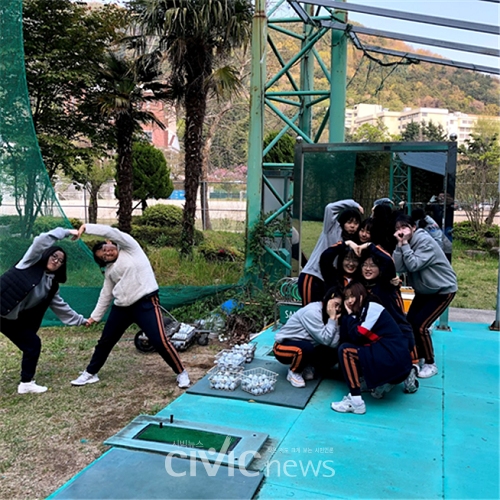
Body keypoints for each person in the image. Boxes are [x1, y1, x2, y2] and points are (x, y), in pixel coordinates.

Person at [71, 223, 190, 389]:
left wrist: (85, 228)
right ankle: (90, 373)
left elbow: (110, 231)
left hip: (145, 303)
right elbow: (106, 295)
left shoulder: (130, 248)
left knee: (159, 340)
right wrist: (94, 317)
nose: (107, 253)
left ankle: (181, 372)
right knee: (106, 340)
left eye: (106, 249)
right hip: (122, 309)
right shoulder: (109, 271)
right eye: (103, 256)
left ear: (110, 243)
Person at [0, 227, 89, 394]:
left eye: (60, 260)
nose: (56, 261)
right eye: (54, 256)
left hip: (9, 318)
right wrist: (68, 232)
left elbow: (61, 307)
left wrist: (82, 321)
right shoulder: (29, 263)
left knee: (32, 344)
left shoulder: (51, 286)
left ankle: (26, 383)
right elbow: (41, 240)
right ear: (46, 255)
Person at [331, 282, 413, 415]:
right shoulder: (359, 314)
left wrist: (350, 315)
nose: (350, 301)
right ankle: (379, 384)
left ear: (362, 295)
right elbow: (351, 337)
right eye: (346, 298)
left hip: (395, 359)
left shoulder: (372, 307)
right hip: (392, 361)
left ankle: (356, 401)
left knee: (346, 351)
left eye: (353, 296)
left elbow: (358, 335)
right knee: (349, 348)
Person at [393, 214, 458, 379]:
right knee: (410, 323)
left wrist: (405, 244)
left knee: (421, 326)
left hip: (442, 289)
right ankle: (418, 355)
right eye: (397, 229)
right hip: (424, 291)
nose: (401, 231)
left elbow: (414, 265)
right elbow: (399, 266)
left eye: (404, 227)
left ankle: (430, 363)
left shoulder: (425, 241)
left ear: (413, 228)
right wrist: (399, 245)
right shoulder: (404, 242)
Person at [358, 246, 419, 394]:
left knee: (382, 386)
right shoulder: (359, 287)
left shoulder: (385, 285)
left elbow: (388, 261)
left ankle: (407, 373)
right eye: (365, 265)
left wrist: (369, 245)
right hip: (376, 335)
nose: (367, 269)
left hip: (398, 334)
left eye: (372, 265)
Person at [273, 286, 343, 388]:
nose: (337, 309)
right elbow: (325, 339)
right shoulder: (312, 312)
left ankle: (307, 366)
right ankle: (294, 372)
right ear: (327, 299)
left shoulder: (331, 315)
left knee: (336, 350)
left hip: (307, 346)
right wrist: (332, 319)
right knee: (306, 348)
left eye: (340, 306)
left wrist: (335, 322)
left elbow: (333, 344)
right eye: (335, 304)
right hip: (283, 347)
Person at [298, 199, 363, 305]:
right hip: (313, 276)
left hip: (326, 281)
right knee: (310, 312)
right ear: (343, 222)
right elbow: (330, 208)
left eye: (356, 223)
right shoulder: (331, 229)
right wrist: (353, 204)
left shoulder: (353, 241)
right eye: (349, 222)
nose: (352, 226)